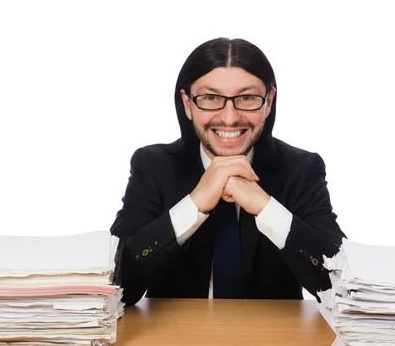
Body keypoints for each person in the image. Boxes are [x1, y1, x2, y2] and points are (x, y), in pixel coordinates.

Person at [110, 38, 346, 306]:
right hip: (173, 341)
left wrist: (266, 207)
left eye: (247, 98)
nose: (230, 117)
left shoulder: (301, 169)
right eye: (211, 98)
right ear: (187, 104)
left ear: (268, 102)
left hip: (274, 341)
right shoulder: (152, 166)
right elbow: (115, 285)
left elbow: (342, 286)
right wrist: (194, 204)